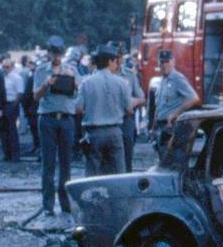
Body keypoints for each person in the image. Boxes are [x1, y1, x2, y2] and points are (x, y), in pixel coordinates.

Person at [33, 35, 81, 216]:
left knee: (66, 162)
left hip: (67, 118)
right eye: (54, 54)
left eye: (59, 54)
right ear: (49, 53)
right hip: (48, 118)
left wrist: (74, 82)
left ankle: (65, 203)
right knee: (48, 163)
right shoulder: (41, 70)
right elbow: (35, 96)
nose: (57, 57)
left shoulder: (71, 69)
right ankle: (48, 205)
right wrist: (46, 84)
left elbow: (79, 93)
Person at [76, 44, 132, 177]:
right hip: (115, 132)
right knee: (118, 175)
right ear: (110, 61)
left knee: (93, 175)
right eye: (115, 61)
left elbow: (78, 109)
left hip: (94, 133)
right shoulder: (121, 82)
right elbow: (129, 110)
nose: (116, 64)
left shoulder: (86, 82)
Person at [151, 50, 199, 147]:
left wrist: (175, 114)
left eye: (167, 61)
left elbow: (194, 98)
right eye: (162, 62)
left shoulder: (177, 78)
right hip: (161, 126)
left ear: (173, 62)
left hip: (172, 126)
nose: (164, 65)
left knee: (174, 154)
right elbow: (159, 105)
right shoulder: (162, 80)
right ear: (158, 63)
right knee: (162, 153)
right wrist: (154, 125)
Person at [111, 41, 145, 172]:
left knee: (127, 156)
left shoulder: (129, 75)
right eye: (114, 57)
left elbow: (142, 98)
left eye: (119, 56)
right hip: (108, 120)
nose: (117, 60)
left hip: (125, 120)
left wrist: (133, 101)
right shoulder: (102, 74)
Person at [0, 57, 24, 162]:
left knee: (12, 130)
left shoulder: (16, 78)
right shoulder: (2, 77)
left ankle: (15, 155)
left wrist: (13, 106)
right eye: (3, 67)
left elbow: (20, 93)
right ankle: (7, 154)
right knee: (3, 130)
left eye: (7, 67)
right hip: (3, 105)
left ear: (12, 67)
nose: (5, 69)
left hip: (12, 104)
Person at [21, 57, 40, 156]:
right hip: (38, 108)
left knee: (35, 130)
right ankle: (37, 147)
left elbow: (27, 95)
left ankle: (37, 147)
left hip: (33, 108)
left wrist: (25, 109)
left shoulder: (32, 77)